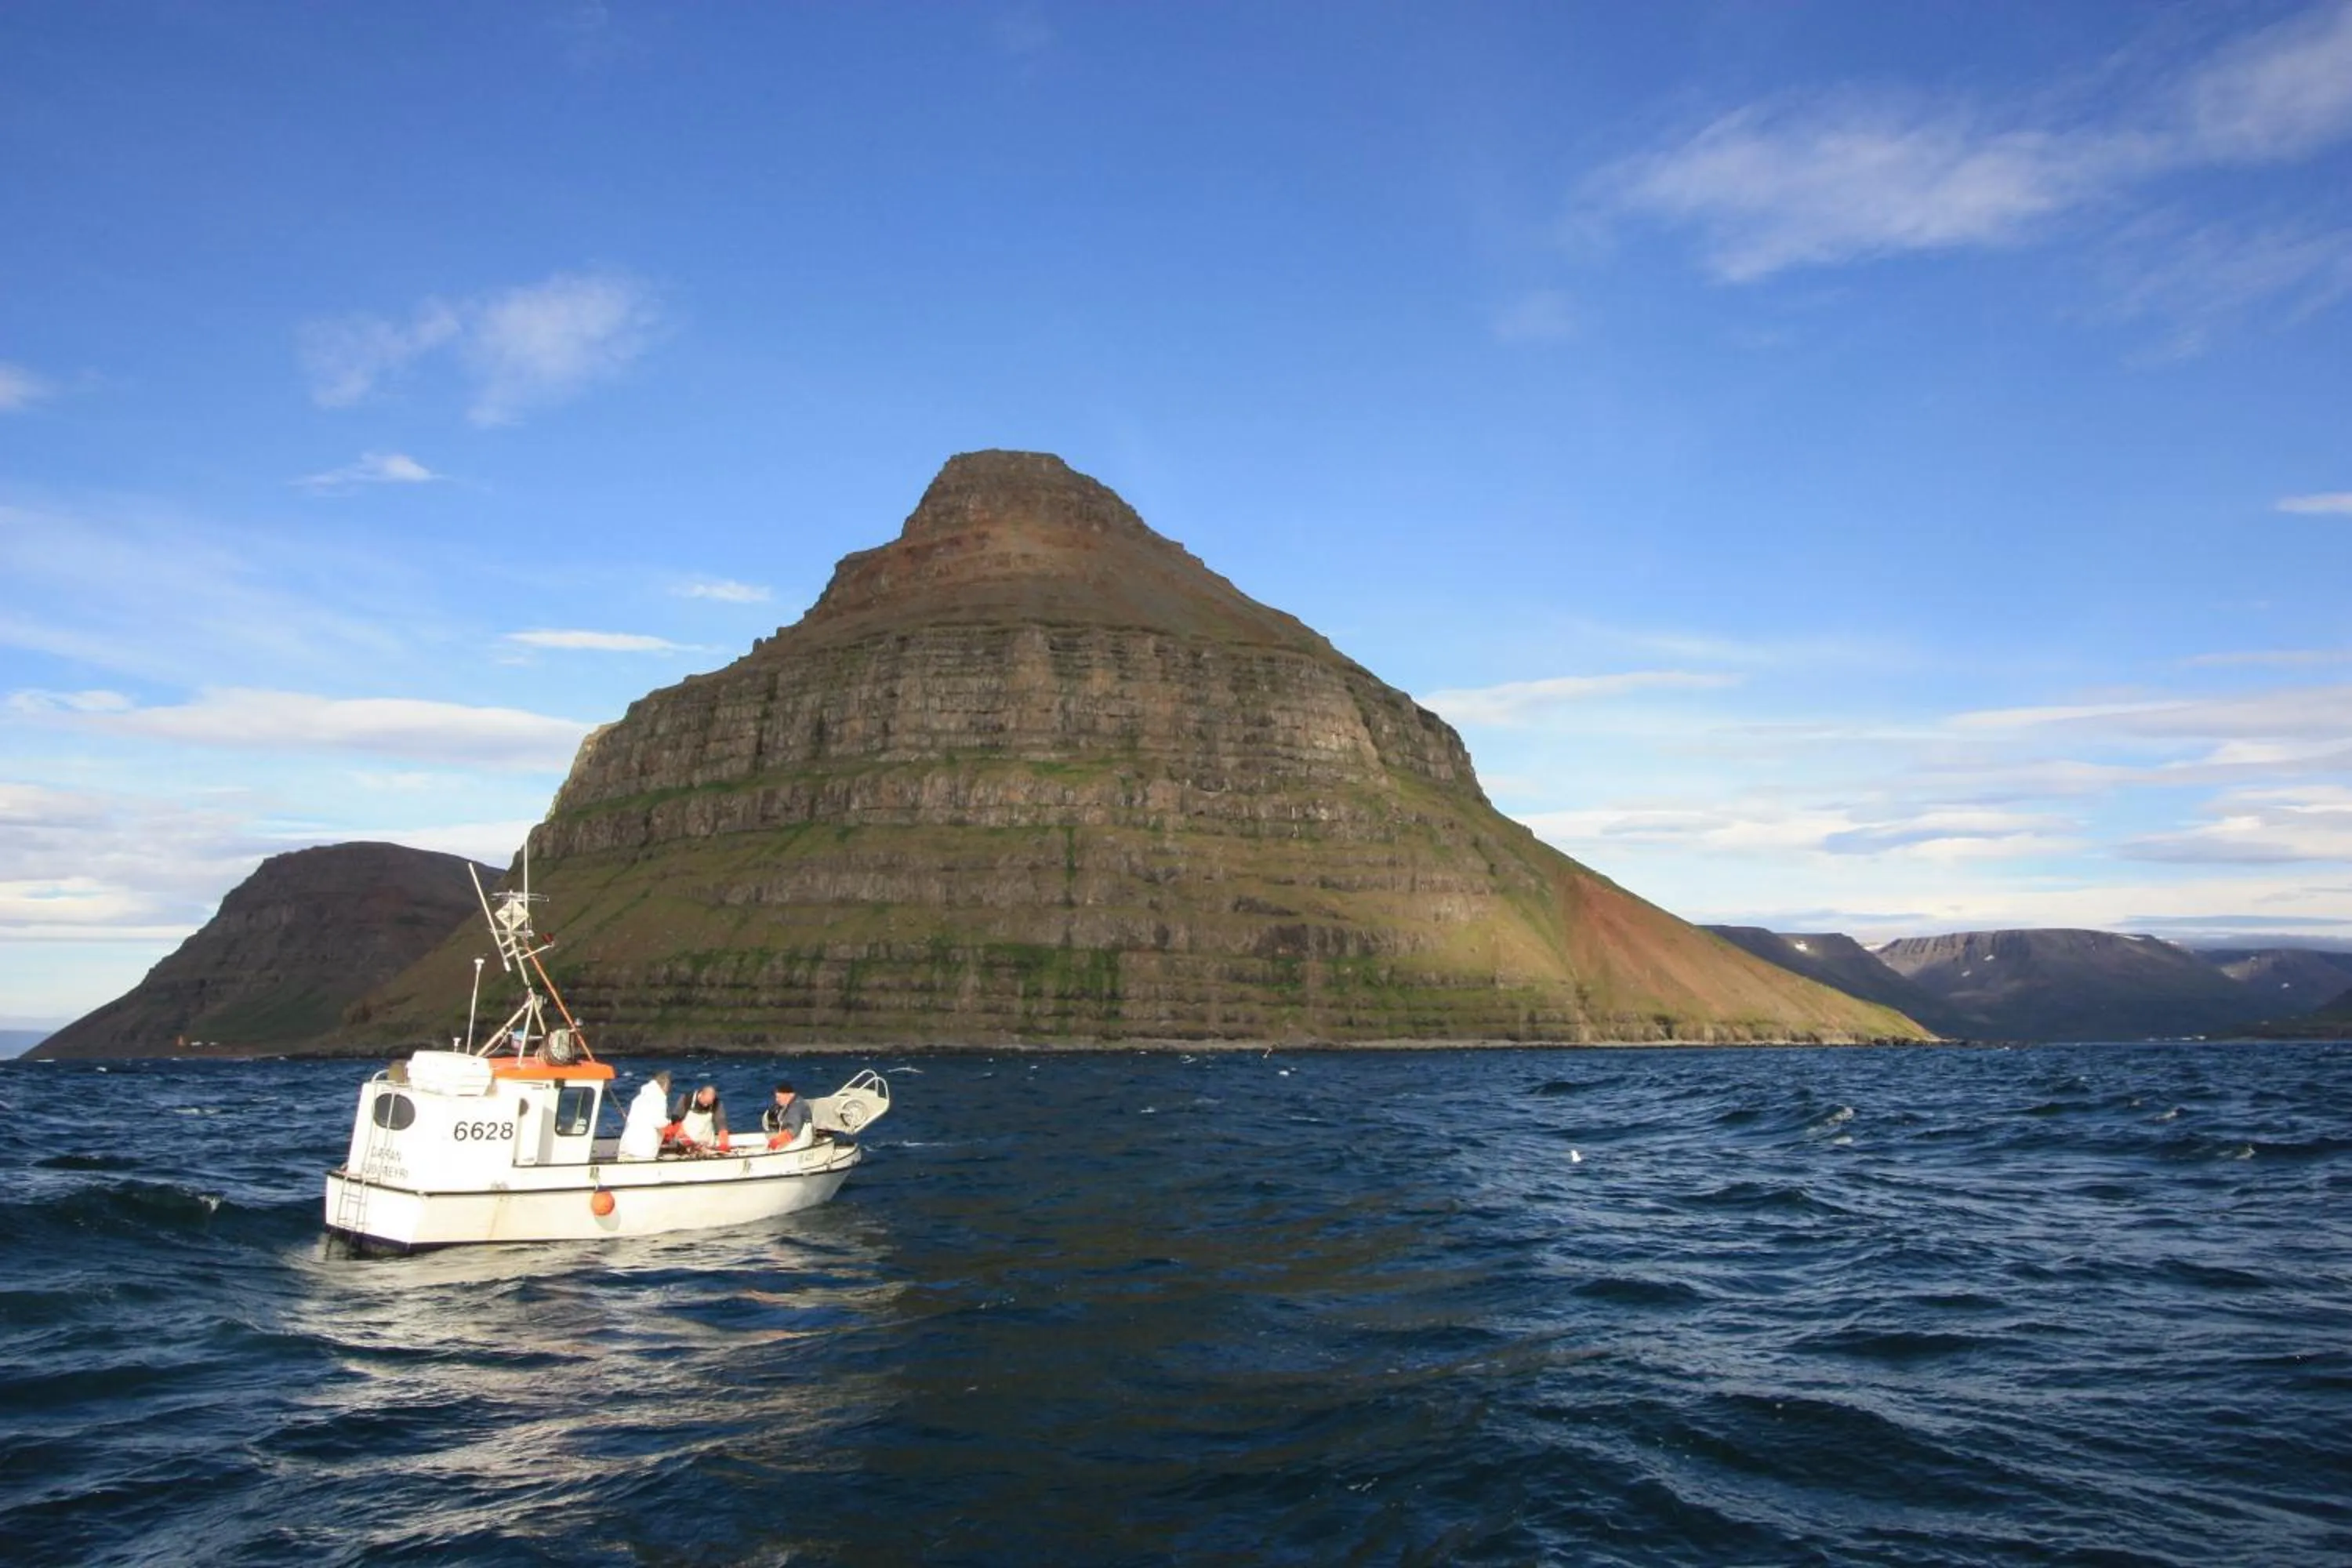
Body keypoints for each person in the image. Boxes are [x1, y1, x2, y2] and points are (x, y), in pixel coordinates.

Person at [619, 1070, 670, 1161]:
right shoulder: (659, 1098)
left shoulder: (639, 1098)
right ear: (665, 1085)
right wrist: (670, 1122)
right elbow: (659, 1122)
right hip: (643, 1149)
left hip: (626, 1146)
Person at [673, 1083, 727, 1150]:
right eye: (705, 1102)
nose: (706, 1105)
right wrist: (682, 1135)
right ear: (701, 1094)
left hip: (706, 1144)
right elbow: (676, 1118)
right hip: (685, 1142)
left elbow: (721, 1123)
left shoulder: (717, 1103)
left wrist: (724, 1144)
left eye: (709, 1103)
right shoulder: (687, 1099)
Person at [763, 1081, 813, 1149]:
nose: (777, 1100)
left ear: (789, 1095)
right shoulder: (794, 1102)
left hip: (800, 1142)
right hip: (797, 1138)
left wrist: (776, 1141)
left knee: (774, 1150)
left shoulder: (796, 1108)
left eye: (779, 1097)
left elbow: (793, 1130)